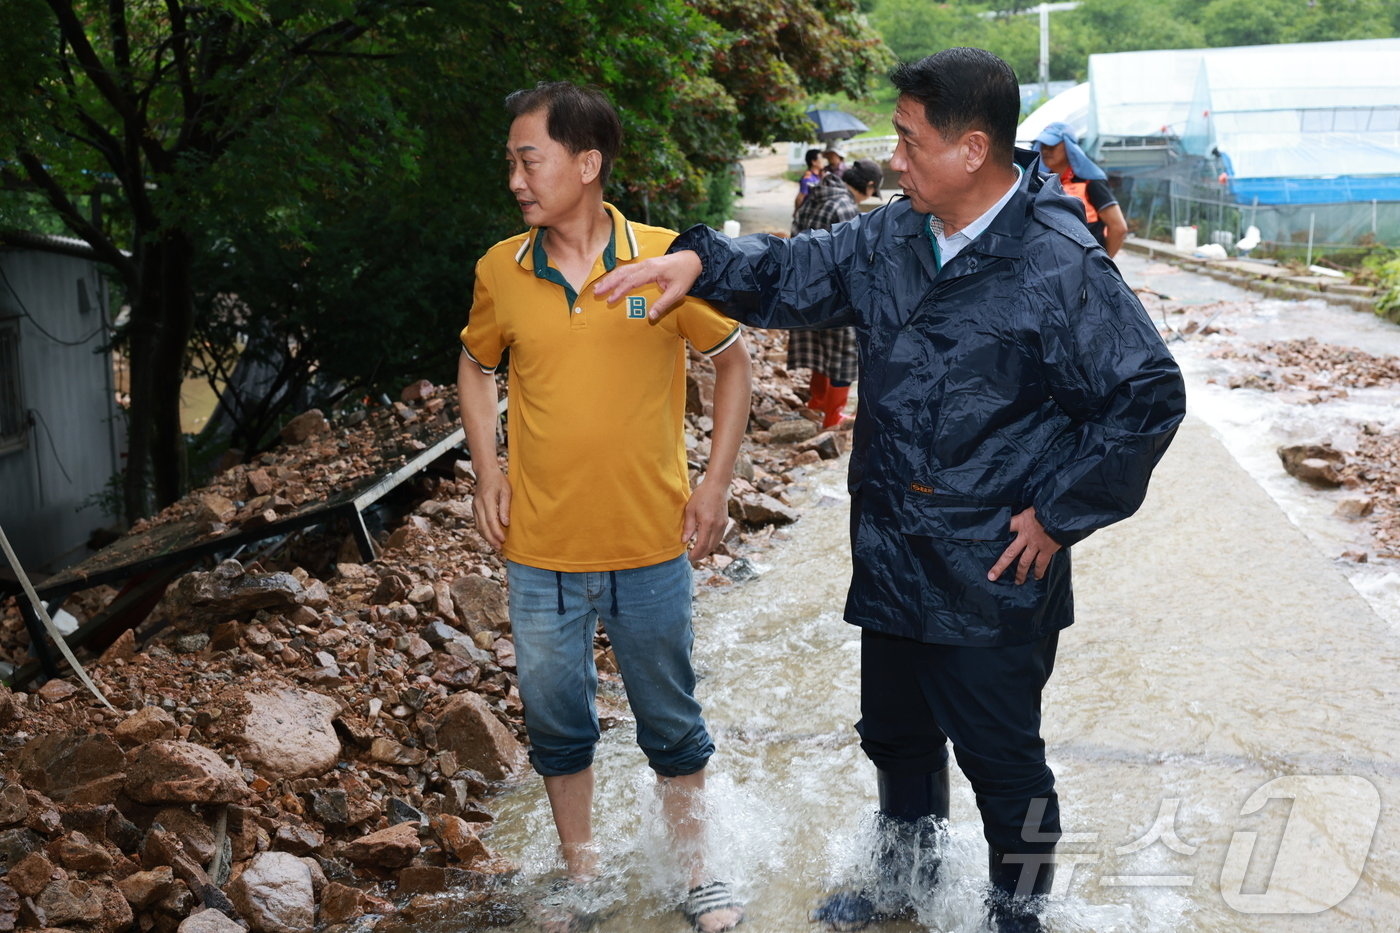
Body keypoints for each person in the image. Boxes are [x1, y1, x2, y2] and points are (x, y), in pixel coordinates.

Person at [595, 48, 1186, 933]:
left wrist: (1059, 514)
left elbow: (1147, 397)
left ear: (973, 148)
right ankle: (905, 885)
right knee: (898, 738)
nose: (896, 158)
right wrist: (701, 264)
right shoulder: (892, 237)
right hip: (895, 547)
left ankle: (1017, 912)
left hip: (994, 568)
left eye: (909, 141)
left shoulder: (1058, 261)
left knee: (1005, 761)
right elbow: (797, 271)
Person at [457, 80, 751, 933]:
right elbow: (476, 366)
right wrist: (488, 470)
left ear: (586, 163)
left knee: (670, 715)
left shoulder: (664, 259)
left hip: (650, 539)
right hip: (538, 544)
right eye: (511, 160)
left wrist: (716, 482)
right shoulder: (500, 270)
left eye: (529, 157)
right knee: (556, 721)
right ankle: (581, 873)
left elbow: (733, 362)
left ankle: (698, 872)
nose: (515, 177)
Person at [787, 159, 883, 429]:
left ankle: (817, 402)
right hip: (832, 291)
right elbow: (850, 260)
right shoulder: (845, 207)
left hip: (802, 283)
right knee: (845, 352)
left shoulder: (818, 195)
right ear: (869, 185)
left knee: (820, 346)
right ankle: (834, 415)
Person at [1033, 122, 1128, 257]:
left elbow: (1118, 228)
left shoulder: (1090, 180)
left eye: (1052, 145)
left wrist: (1103, 266)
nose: (1046, 150)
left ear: (1069, 147)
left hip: (1083, 270)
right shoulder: (1040, 182)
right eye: (1043, 145)